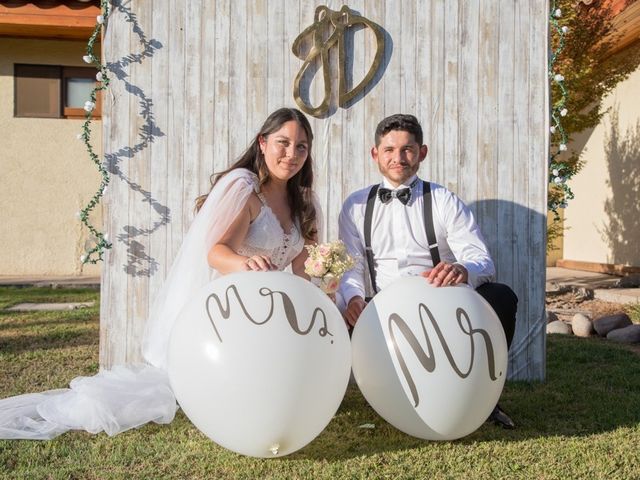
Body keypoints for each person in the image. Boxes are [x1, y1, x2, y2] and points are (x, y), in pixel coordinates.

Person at [0, 107, 320, 440]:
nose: (291, 153)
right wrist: (246, 264)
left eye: (301, 147)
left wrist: (325, 277)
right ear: (262, 142)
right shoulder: (245, 189)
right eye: (283, 142)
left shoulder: (306, 202)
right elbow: (217, 252)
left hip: (271, 314)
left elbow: (303, 271)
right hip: (232, 308)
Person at [337, 113, 518, 429]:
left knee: (500, 296)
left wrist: (462, 269)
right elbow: (350, 266)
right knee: (333, 306)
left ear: (422, 153)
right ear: (375, 154)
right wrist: (352, 298)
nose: (398, 158)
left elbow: (481, 261)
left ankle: (485, 397)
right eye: (390, 149)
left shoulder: (443, 199)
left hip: (440, 308)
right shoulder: (354, 206)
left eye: (408, 149)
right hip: (379, 311)